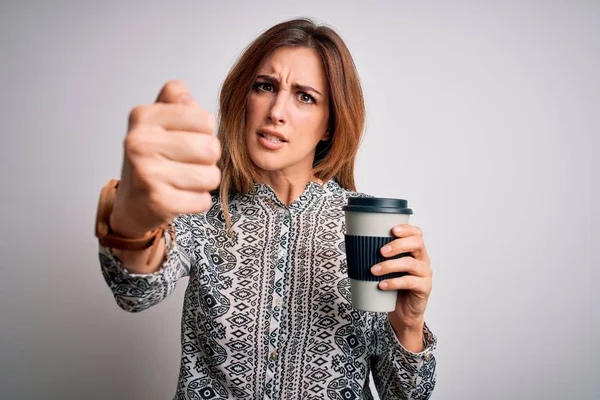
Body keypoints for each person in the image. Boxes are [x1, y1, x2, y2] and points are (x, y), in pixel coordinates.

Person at [95, 18, 437, 400]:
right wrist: (132, 217)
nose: (276, 110)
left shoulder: (370, 227)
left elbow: (405, 397)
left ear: (330, 124)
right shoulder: (202, 208)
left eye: (304, 96)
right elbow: (134, 292)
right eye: (265, 86)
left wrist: (408, 325)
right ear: (245, 97)